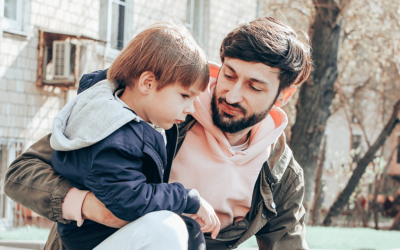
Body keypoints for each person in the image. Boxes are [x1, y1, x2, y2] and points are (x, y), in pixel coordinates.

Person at [5, 16, 313, 250]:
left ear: (283, 95)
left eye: (254, 87)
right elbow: (22, 172)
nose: (232, 94)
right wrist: (90, 206)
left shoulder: (280, 175)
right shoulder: (158, 109)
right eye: (229, 75)